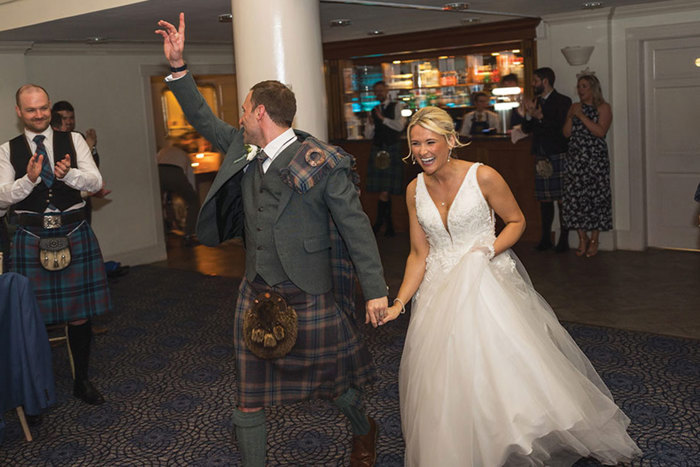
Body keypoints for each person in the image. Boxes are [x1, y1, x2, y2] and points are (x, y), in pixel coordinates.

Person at [156, 13, 388, 467]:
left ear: (260, 112)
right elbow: (202, 115)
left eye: (243, 110)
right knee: (247, 397)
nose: (239, 118)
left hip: (308, 291)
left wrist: (376, 289)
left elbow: (356, 225)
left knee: (336, 386)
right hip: (254, 289)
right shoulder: (241, 148)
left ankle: (364, 429)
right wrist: (179, 68)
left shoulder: (322, 161)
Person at [379, 106, 641, 466]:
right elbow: (418, 254)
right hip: (439, 293)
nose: (423, 150)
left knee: (500, 369)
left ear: (450, 141)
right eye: (415, 143)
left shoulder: (483, 176)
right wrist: (399, 302)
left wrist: (487, 249)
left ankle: (511, 439)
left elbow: (516, 221)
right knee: (446, 377)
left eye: (430, 142)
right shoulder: (413, 190)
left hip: (486, 282)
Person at [0, 84, 112, 405]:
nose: (39, 114)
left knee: (79, 313)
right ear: (19, 112)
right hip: (30, 237)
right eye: (32, 109)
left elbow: (95, 182)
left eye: (43, 107)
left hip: (74, 230)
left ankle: (81, 380)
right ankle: (34, 388)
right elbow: (2, 195)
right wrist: (28, 180)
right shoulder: (7, 150)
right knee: (29, 316)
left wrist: (70, 174)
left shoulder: (73, 140)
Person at [562, 74, 613, 257]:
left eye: (584, 86)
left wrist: (581, 116)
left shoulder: (603, 107)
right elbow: (566, 133)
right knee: (576, 199)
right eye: (579, 86)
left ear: (592, 88)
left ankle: (594, 239)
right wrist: (570, 116)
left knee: (595, 198)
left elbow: (600, 131)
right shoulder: (575, 107)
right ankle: (582, 238)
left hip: (595, 160)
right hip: (576, 159)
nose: (580, 90)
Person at [522, 67, 572, 252]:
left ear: (545, 81)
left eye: (535, 80)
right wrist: (528, 113)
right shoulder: (535, 101)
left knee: (561, 199)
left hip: (557, 152)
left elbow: (561, 129)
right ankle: (545, 238)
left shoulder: (562, 101)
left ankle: (564, 240)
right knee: (544, 199)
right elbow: (527, 128)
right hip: (541, 154)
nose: (533, 84)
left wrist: (540, 116)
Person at [51, 100, 110, 225]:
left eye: (71, 118)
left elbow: (92, 168)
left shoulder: (78, 137)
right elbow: (66, 169)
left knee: (85, 237)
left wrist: (92, 148)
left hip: (83, 204)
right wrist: (88, 145)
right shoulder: (50, 141)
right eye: (64, 118)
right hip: (60, 207)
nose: (68, 122)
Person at [363, 81, 407, 237]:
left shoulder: (397, 106)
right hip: (378, 149)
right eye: (376, 91)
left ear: (387, 91)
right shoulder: (373, 110)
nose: (379, 93)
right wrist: (369, 123)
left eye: (381, 90)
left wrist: (382, 119)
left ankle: (384, 224)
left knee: (386, 190)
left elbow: (400, 126)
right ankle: (386, 225)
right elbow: (368, 135)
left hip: (391, 148)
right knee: (383, 190)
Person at [156, 136, 200, 245]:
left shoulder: (163, 150)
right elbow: (189, 176)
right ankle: (188, 234)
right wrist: (192, 192)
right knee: (193, 201)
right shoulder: (184, 154)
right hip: (176, 173)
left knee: (158, 204)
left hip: (158, 171)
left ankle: (164, 234)